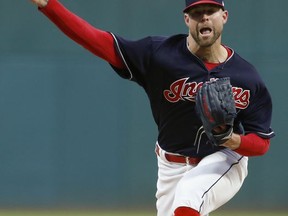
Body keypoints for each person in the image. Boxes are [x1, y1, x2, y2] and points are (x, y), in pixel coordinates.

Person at [29, 0, 275, 215]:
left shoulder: (246, 77)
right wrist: (49, 5)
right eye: (197, 12)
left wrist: (231, 140)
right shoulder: (159, 55)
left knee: (189, 199)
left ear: (224, 16)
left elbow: (262, 142)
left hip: (222, 157)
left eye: (210, 10)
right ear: (187, 19)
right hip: (171, 165)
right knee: (186, 203)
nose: (204, 17)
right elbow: (98, 41)